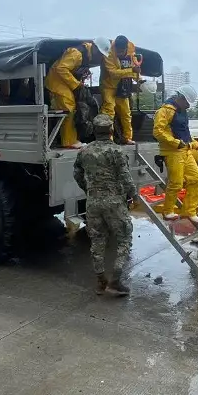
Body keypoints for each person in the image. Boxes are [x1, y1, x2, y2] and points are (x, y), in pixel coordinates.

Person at [73, 114, 136, 297]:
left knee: (97, 241)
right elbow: (125, 177)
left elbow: (77, 174)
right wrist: (133, 195)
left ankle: (101, 282)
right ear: (111, 131)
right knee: (124, 238)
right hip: (114, 202)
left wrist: (88, 189)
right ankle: (115, 280)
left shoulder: (84, 152)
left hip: (93, 203)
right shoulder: (116, 151)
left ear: (93, 131)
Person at [45, 38, 110, 148]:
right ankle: (69, 142)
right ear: (93, 46)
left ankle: (70, 139)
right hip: (56, 82)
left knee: (73, 108)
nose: (100, 56)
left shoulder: (85, 55)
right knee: (69, 107)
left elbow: (70, 69)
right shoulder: (77, 53)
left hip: (63, 83)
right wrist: (76, 84)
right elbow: (61, 68)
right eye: (99, 52)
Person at [152, 85, 198, 222]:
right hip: (172, 152)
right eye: (187, 103)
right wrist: (175, 142)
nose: (188, 106)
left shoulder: (182, 112)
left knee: (196, 180)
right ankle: (168, 210)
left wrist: (195, 143)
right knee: (176, 183)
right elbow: (158, 132)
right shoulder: (165, 111)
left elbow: (185, 131)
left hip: (185, 150)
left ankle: (189, 211)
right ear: (180, 98)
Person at [100, 35, 142, 144]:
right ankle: (107, 139)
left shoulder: (131, 51)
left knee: (126, 113)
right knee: (108, 112)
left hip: (123, 87)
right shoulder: (108, 53)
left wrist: (139, 78)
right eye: (117, 51)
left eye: (121, 51)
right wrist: (131, 70)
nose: (119, 53)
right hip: (109, 87)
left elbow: (135, 68)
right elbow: (113, 73)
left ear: (126, 48)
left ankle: (127, 138)